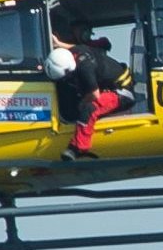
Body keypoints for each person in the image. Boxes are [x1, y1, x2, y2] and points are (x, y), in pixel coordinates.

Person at [50, 27, 130, 159]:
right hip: (109, 84)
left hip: (123, 92)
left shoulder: (85, 69)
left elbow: (94, 94)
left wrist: (82, 103)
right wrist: (58, 44)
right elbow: (76, 47)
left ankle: (77, 148)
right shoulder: (75, 52)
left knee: (90, 108)